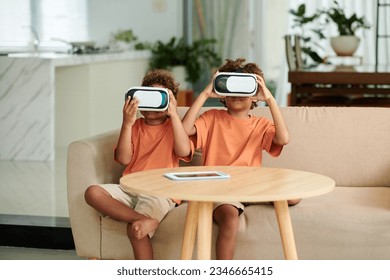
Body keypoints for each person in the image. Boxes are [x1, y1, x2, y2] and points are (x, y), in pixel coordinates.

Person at [182, 58, 301, 260]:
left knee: (294, 195)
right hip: (220, 188)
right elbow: (184, 130)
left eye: (244, 88)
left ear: (254, 97)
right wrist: (204, 94)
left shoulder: (260, 124)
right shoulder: (212, 118)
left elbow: (284, 138)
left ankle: (253, 199)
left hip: (250, 185)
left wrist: (270, 99)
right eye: (232, 89)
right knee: (230, 218)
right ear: (223, 95)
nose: (237, 94)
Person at [84, 69, 193, 260]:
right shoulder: (135, 127)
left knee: (136, 230)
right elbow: (123, 158)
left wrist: (174, 115)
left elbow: (184, 151)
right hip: (130, 187)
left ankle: (140, 227)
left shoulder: (174, 127)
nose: (151, 105)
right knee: (92, 192)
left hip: (159, 192)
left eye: (158, 98)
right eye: (146, 97)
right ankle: (141, 218)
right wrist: (127, 123)